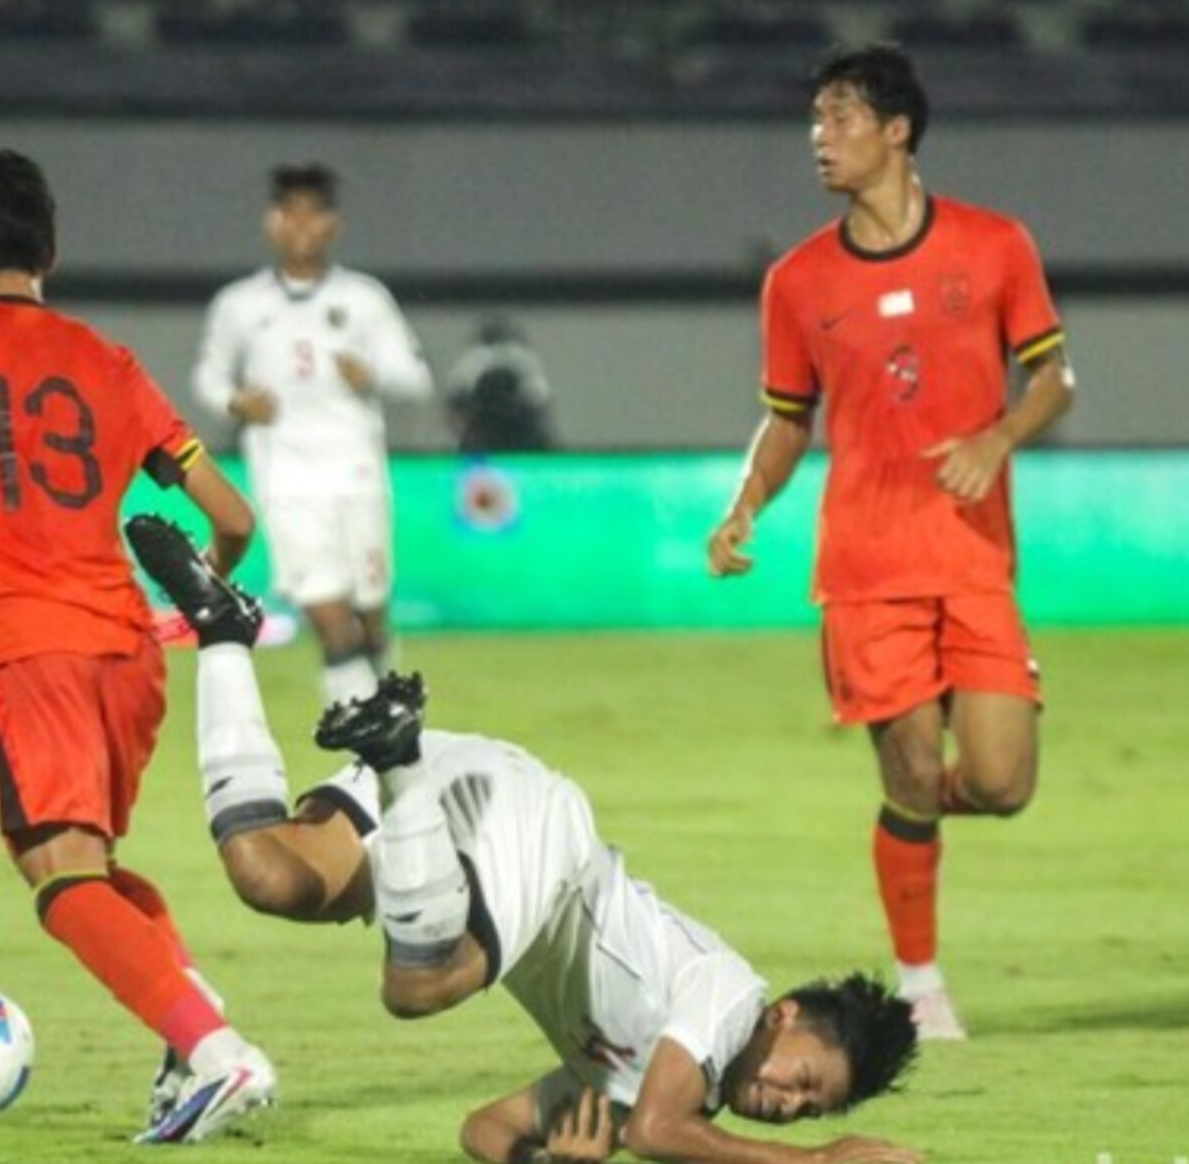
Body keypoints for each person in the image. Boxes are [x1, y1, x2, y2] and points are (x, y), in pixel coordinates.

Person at [124, 514, 923, 1164]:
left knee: (267, 873)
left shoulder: (629, 1090)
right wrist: (821, 1161)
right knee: (420, 987)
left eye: (807, 1112)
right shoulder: (729, 997)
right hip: (534, 837)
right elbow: (661, 1135)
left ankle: (223, 631)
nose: (786, 1106)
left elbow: (486, 1130)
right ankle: (397, 763)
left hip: (461, 806)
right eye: (804, 1081)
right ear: (785, 1019)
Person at [0, 145, 276, 1144]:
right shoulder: (109, 362)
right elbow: (235, 517)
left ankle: (219, 1058)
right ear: (52, 247)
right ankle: (191, 1044)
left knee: (61, 881)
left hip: (22, 646)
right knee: (96, 871)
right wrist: (194, 601)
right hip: (126, 653)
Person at [705, 44, 1077, 1042]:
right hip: (866, 570)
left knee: (1001, 784)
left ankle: (901, 823)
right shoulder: (797, 281)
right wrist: (747, 506)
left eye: (839, 117)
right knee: (912, 773)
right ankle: (919, 982)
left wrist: (998, 436)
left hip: (973, 557)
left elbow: (1055, 380)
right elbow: (787, 419)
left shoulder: (996, 246)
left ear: (897, 130)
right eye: (816, 120)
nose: (819, 138)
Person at [191, 161, 434, 707]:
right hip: (287, 480)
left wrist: (371, 375)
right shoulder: (240, 305)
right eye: (288, 213)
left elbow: (416, 378)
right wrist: (236, 401)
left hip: (356, 474)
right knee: (329, 616)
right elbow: (208, 376)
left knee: (370, 617)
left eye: (312, 214)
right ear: (271, 223)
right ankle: (364, 745)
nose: (300, 226)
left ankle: (394, 727)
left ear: (332, 225)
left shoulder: (365, 299)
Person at [445, 314, 557, 453]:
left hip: (520, 433)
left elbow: (538, 403)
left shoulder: (523, 360)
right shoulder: (471, 361)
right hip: (482, 433)